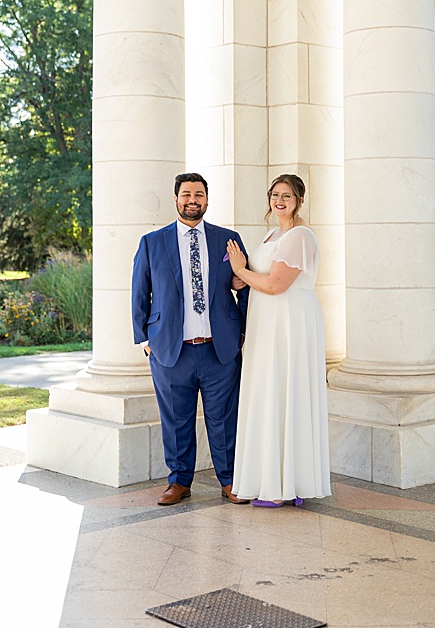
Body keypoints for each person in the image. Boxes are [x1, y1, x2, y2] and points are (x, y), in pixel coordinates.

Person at [131, 173, 250, 506]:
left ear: (207, 200)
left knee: (224, 418)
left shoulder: (228, 239)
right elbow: (139, 292)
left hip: (219, 349)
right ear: (176, 199)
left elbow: (246, 284)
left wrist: (240, 332)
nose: (192, 199)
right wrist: (145, 339)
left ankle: (229, 481)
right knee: (176, 418)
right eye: (186, 194)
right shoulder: (152, 242)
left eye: (199, 194)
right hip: (171, 350)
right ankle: (179, 482)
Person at [225, 174, 331, 507]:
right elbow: (260, 278)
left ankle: (287, 484)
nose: (279, 200)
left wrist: (242, 271)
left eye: (286, 195)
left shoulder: (299, 235)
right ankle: (281, 479)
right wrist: (240, 278)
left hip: (288, 322)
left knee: (287, 391)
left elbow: (275, 285)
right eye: (274, 194)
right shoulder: (274, 233)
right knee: (271, 391)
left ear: (299, 199)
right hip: (266, 322)